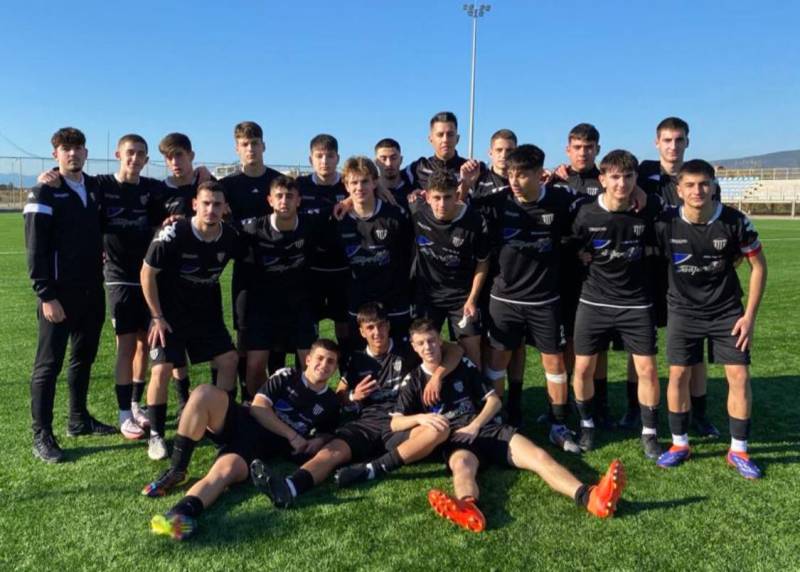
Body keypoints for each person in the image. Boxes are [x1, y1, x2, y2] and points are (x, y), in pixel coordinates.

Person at [391, 319, 626, 532]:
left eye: (432, 340)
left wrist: (475, 425)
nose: (428, 347)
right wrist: (420, 418)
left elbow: (493, 401)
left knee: (538, 456)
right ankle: (468, 507)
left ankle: (590, 497)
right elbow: (395, 422)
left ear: (440, 341)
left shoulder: (462, 365)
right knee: (462, 466)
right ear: (414, 347)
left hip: (486, 428)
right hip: (456, 439)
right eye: (421, 343)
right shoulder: (413, 380)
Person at [249, 303, 460, 507]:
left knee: (438, 429)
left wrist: (437, 377)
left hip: (403, 421)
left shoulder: (408, 348)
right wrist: (352, 395)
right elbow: (339, 396)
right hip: (367, 423)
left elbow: (456, 350)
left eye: (381, 325)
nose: (377, 332)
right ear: (362, 332)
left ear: (388, 326)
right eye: (370, 327)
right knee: (332, 451)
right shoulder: (357, 360)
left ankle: (371, 470)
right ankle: (290, 487)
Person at [144, 339, 342, 541]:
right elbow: (258, 408)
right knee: (203, 393)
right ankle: (177, 469)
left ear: (335, 368)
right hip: (243, 420)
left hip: (257, 447)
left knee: (224, 472)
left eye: (331, 361)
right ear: (308, 359)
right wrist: (293, 436)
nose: (324, 365)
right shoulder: (287, 376)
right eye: (319, 358)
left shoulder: (331, 401)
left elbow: (327, 433)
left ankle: (179, 514)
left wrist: (318, 441)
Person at [654, 160, 767, 478]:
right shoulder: (665, 223)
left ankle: (738, 450)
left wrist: (749, 317)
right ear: (679, 190)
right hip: (683, 310)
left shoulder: (735, 221)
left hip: (726, 311)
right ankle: (680, 444)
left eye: (704, 184)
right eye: (690, 185)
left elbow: (759, 266)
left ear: (714, 186)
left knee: (739, 376)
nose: (697, 190)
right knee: (678, 375)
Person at [482, 144, 585, 452]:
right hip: (505, 299)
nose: (514, 181)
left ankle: (558, 424)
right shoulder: (497, 201)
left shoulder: (560, 200)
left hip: (545, 300)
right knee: (497, 361)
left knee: (554, 362)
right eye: (511, 174)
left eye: (522, 174)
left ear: (540, 174)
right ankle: (496, 420)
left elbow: (597, 208)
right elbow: (456, 206)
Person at [25, 127, 115, 462]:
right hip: (58, 296)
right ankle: (41, 434)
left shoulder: (95, 186)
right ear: (56, 155)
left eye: (77, 148)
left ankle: (78, 419)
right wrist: (46, 294)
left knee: (83, 358)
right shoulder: (44, 191)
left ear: (86, 153)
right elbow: (35, 250)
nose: (72, 153)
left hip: (92, 291)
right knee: (48, 365)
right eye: (66, 148)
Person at [571, 150, 663, 459]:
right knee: (583, 367)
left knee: (647, 369)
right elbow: (572, 245)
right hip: (594, 302)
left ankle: (649, 433)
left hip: (636, 304)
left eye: (628, 177)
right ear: (602, 179)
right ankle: (587, 425)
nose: (621, 183)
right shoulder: (585, 214)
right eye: (614, 177)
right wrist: (579, 254)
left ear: (636, 179)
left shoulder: (647, 211)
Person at [140, 181, 242, 460]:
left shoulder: (231, 236)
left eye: (217, 204)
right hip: (169, 314)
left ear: (225, 208)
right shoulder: (174, 232)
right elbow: (147, 273)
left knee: (229, 360)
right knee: (162, 369)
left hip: (206, 313)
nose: (211, 209)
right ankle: (156, 434)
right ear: (195, 204)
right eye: (205, 203)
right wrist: (156, 316)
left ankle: (221, 425)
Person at [637, 117, 719, 436]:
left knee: (693, 348)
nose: (673, 146)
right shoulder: (642, 172)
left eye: (679, 140)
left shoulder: (699, 179)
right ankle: (634, 409)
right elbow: (609, 175)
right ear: (656, 142)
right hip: (647, 269)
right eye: (667, 140)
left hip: (687, 275)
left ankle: (700, 413)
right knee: (641, 345)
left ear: (687, 142)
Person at [237, 176, 325, 398]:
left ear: (298, 200)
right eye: (279, 196)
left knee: (310, 361)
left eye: (289, 196)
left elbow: (338, 211)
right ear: (270, 200)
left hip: (299, 305)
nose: (284, 201)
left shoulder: (311, 226)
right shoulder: (252, 229)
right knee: (255, 365)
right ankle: (258, 408)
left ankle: (307, 408)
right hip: (263, 306)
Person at [552, 123, 614, 429]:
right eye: (577, 147)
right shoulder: (555, 180)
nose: (583, 152)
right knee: (566, 340)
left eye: (589, 147)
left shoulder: (606, 179)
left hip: (598, 273)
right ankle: (565, 403)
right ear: (568, 149)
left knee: (596, 343)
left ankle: (599, 403)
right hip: (564, 271)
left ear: (597, 149)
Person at [219, 121, 284, 398]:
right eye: (244, 144)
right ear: (237, 148)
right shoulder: (227, 185)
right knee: (245, 339)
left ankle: (278, 398)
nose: (250, 149)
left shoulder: (278, 182)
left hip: (279, 271)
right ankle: (248, 398)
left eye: (255, 143)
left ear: (263, 145)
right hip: (246, 271)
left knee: (278, 342)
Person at [410, 168, 490, 366]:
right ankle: (431, 386)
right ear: (427, 196)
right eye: (436, 198)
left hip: (461, 298)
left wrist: (472, 299)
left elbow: (483, 261)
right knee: (424, 354)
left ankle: (473, 388)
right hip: (428, 297)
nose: (442, 204)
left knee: (472, 356)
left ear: (456, 195)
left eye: (447, 197)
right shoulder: (417, 212)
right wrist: (348, 201)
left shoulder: (474, 220)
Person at [335, 156, 413, 345]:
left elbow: (409, 254)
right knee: (360, 353)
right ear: (346, 185)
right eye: (354, 183)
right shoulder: (339, 218)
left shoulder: (395, 215)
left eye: (364, 181)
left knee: (401, 351)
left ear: (375, 183)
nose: (359, 187)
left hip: (394, 297)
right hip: (358, 298)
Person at [296, 134, 351, 349]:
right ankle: (307, 370)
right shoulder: (300, 186)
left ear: (338, 158)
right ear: (311, 159)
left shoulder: (348, 185)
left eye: (330, 156)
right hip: (310, 269)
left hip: (343, 269)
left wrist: (351, 198)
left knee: (344, 327)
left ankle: (347, 367)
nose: (324, 161)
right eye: (319, 156)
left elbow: (371, 187)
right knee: (309, 328)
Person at [374, 138, 413, 209]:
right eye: (383, 159)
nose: (388, 163)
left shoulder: (413, 187)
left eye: (393, 158)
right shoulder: (370, 191)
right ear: (376, 162)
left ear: (401, 160)